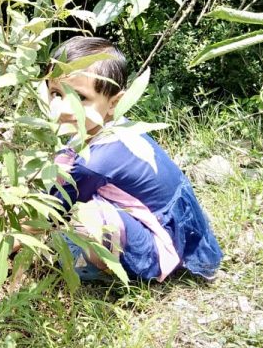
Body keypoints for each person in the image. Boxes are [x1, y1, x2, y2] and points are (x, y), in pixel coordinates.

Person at [46, 37, 223, 282]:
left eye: (80, 98)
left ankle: (106, 268)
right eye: (55, 93)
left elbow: (53, 210)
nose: (64, 109)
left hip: (160, 242)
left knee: (86, 219)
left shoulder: (96, 162)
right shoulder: (116, 128)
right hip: (168, 223)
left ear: (114, 103)